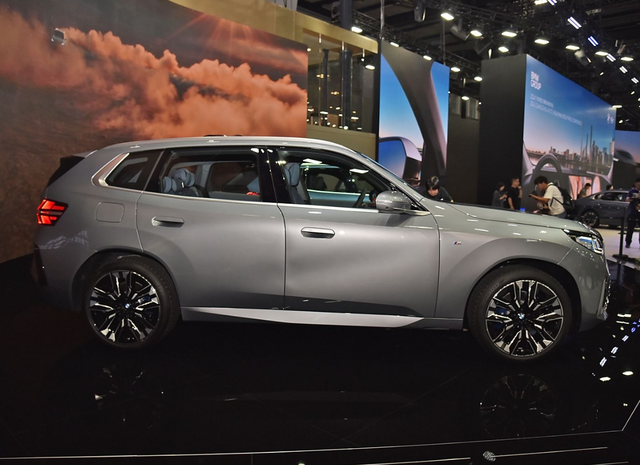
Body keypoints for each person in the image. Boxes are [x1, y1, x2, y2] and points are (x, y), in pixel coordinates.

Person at [625, 178, 640, 248]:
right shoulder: (632, 191)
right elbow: (627, 199)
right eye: (637, 185)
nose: (638, 186)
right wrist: (635, 197)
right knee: (630, 229)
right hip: (632, 213)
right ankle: (628, 243)